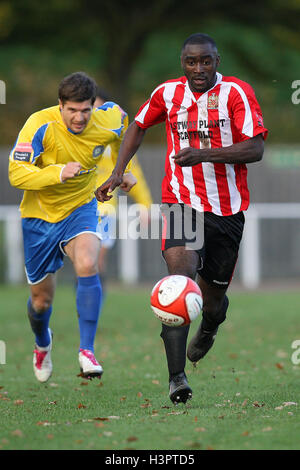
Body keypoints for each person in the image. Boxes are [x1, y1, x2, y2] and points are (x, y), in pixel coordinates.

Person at [95, 33, 268, 404]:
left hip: (227, 210)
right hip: (181, 202)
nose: (199, 68)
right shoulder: (167, 94)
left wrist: (206, 155)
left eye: (206, 61)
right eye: (192, 62)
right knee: (177, 283)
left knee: (214, 300)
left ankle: (209, 326)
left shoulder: (237, 93)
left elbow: (255, 148)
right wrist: (117, 171)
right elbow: (138, 126)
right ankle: (177, 378)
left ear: (217, 61)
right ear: (182, 64)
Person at [8, 72, 136, 383]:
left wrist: (123, 171)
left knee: (88, 263)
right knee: (41, 301)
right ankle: (42, 343)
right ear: (60, 105)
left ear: (94, 106)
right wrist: (58, 173)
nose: (79, 118)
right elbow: (16, 173)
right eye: (72, 110)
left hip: (82, 208)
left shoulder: (110, 118)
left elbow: (125, 131)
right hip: (38, 218)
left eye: (85, 110)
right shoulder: (39, 124)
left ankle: (87, 351)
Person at [93, 87, 153, 286]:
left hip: (105, 208)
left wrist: (145, 205)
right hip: (74, 206)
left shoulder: (115, 139)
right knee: (84, 260)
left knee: (95, 260)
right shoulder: (74, 137)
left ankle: (92, 308)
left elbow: (131, 174)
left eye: (99, 108)